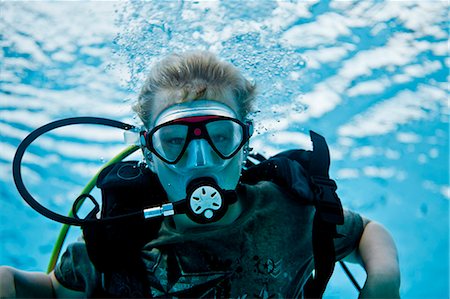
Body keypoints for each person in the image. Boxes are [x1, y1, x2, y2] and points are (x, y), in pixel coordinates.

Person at [0, 51, 400, 298]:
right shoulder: (115, 239)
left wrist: (384, 279)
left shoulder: (291, 212)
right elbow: (54, 291)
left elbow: (365, 231)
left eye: (220, 136)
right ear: (149, 152)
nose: (200, 160)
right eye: (174, 140)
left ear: (244, 141)